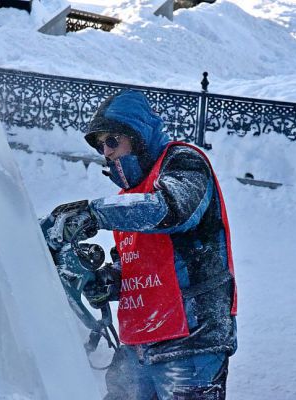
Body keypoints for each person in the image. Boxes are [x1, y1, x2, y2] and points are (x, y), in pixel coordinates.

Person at [49, 90, 237, 400]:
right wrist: (109, 282)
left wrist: (93, 214)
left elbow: (172, 210)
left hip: (190, 341)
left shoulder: (184, 162)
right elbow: (145, 266)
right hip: (138, 344)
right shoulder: (129, 200)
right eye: (100, 145)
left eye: (112, 140)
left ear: (137, 137)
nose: (106, 151)